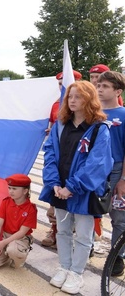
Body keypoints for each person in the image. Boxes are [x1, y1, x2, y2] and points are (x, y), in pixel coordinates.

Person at [39, 81, 113, 294]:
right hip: (59, 189)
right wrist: (53, 183)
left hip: (83, 192)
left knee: (82, 235)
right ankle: (64, 267)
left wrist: (72, 187)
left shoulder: (99, 129)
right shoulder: (61, 125)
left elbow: (98, 163)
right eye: (70, 96)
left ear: (88, 99)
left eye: (78, 96)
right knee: (62, 230)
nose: (72, 100)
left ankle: (76, 273)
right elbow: (50, 153)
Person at [42, 69, 83, 248]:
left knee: (81, 206)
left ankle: (85, 237)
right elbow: (52, 127)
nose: (63, 88)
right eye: (60, 85)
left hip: (77, 162)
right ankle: (55, 230)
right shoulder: (55, 105)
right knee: (56, 198)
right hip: (60, 159)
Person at [96, 71, 125, 276]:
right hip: (95, 171)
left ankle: (117, 257)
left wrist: (123, 179)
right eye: (98, 85)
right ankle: (86, 247)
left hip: (116, 170)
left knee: (119, 217)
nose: (99, 89)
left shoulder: (123, 115)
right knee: (89, 212)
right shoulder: (93, 113)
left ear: (118, 91)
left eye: (105, 86)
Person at [0, 174, 36, 269]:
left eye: (15, 189)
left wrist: (3, 243)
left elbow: (22, 232)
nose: (11, 191)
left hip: (20, 239)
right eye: (9, 188)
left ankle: (17, 257)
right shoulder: (6, 202)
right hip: (5, 237)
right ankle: (6, 254)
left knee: (13, 251)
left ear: (25, 191)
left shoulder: (31, 209)